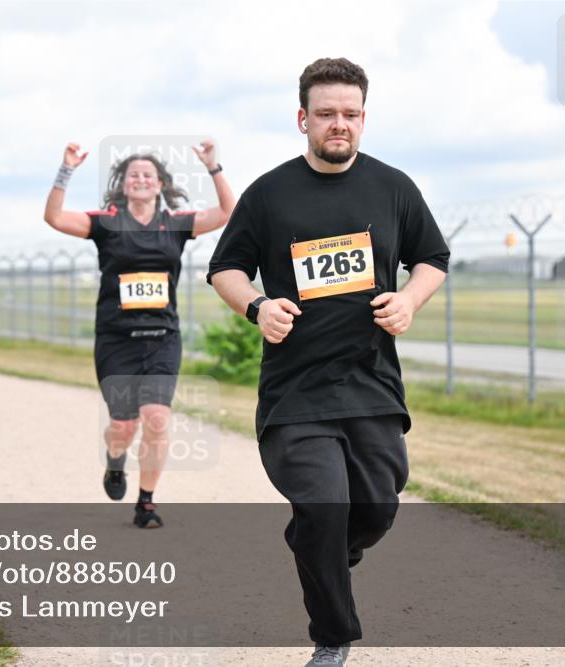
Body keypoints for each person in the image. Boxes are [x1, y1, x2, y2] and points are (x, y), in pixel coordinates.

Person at [207, 58, 449, 666]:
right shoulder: (269, 194)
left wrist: (409, 300)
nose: (338, 124)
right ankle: (332, 638)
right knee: (323, 507)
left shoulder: (393, 187)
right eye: (325, 115)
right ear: (302, 119)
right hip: (296, 391)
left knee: (375, 508)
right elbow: (225, 268)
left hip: (371, 382)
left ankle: (325, 545)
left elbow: (433, 257)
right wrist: (257, 306)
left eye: (350, 114)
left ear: (363, 118)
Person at [44, 140, 235, 528]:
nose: (141, 179)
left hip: (162, 337)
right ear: (124, 184)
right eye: (134, 175)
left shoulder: (177, 224)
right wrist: (66, 171)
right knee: (123, 426)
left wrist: (213, 167)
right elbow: (55, 217)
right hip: (116, 339)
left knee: (158, 418)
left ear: (160, 183)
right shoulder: (106, 222)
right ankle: (116, 460)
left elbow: (230, 212)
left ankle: (146, 503)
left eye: (148, 174)